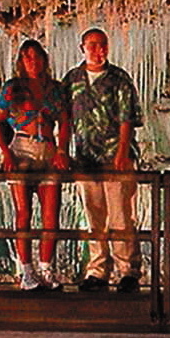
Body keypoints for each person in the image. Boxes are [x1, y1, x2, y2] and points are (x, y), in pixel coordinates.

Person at [62, 28, 144, 293]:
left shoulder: (119, 78)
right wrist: (63, 150)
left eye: (103, 45)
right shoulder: (72, 79)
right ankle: (97, 270)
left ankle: (127, 270)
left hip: (116, 158)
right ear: (82, 47)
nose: (98, 50)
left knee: (121, 217)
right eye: (93, 45)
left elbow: (127, 118)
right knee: (93, 218)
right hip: (86, 158)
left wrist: (122, 151)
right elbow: (64, 118)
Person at [0, 39, 70, 291]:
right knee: (23, 213)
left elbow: (65, 122)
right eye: (28, 58)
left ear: (45, 60)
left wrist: (61, 150)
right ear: (21, 62)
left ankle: (46, 268)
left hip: (47, 147)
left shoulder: (55, 89)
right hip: (22, 147)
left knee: (50, 215)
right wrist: (6, 153)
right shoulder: (12, 88)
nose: (33, 62)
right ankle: (25, 270)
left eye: (37, 57)